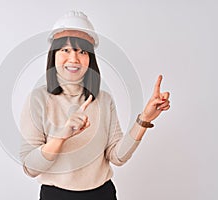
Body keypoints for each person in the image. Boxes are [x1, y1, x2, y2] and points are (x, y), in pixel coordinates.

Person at [19, 10, 170, 200]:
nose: (74, 58)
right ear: (53, 54)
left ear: (90, 58)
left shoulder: (103, 100)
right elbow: (30, 168)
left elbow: (117, 156)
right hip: (56, 195)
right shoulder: (38, 99)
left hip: (102, 194)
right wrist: (60, 137)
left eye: (82, 51)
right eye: (65, 50)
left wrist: (144, 120)